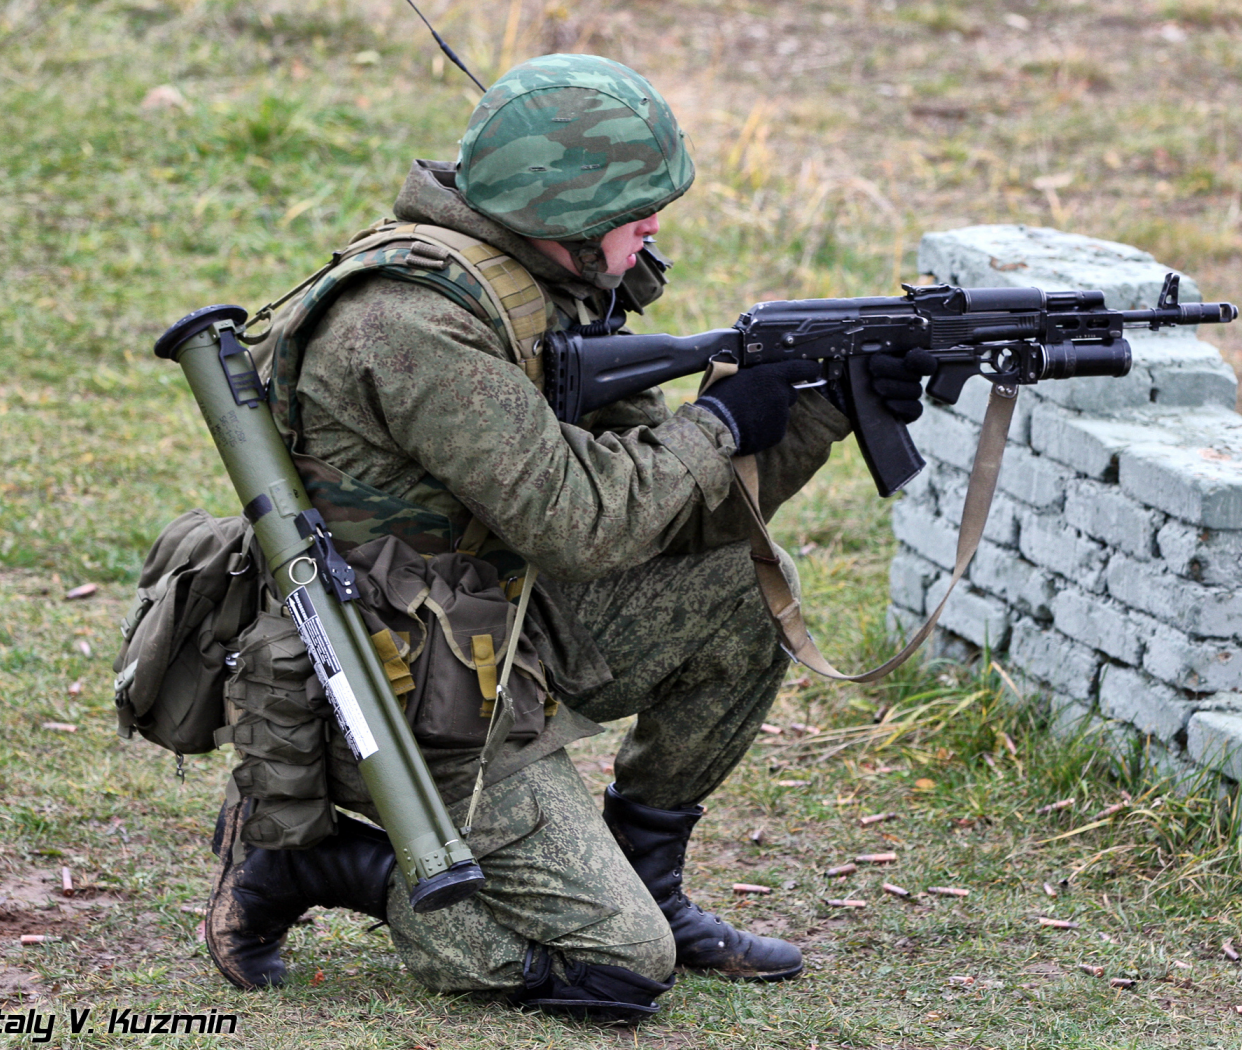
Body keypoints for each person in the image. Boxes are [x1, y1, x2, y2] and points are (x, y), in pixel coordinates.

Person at [203, 53, 930, 1021]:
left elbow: (668, 514)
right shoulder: (408, 323)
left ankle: (649, 882)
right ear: (559, 210)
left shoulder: (540, 284)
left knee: (744, 587)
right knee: (618, 973)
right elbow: (584, 524)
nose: (655, 225)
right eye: (635, 208)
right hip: (399, 690)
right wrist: (717, 422)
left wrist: (815, 412)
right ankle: (307, 860)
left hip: (498, 626)